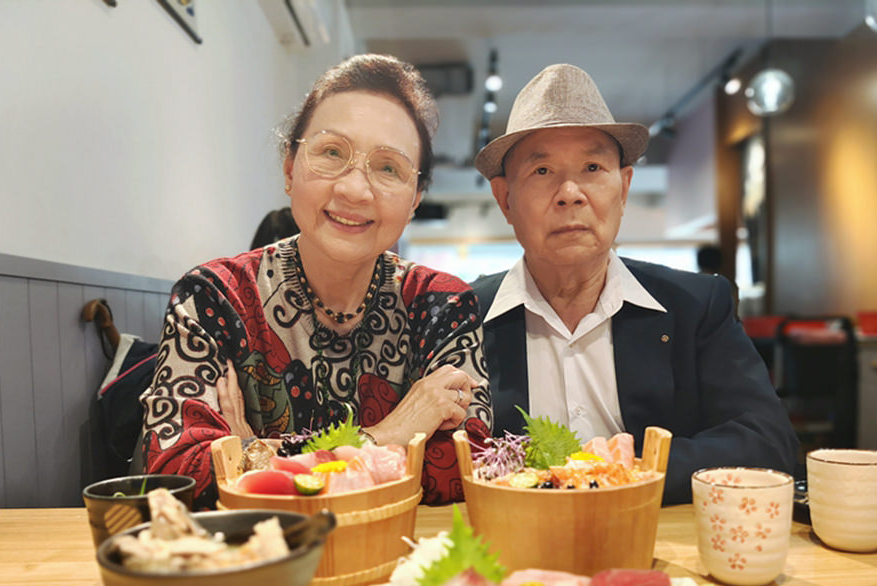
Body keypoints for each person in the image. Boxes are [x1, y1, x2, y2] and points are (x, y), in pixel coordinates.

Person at [140, 54, 492, 508]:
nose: (354, 190)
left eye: (388, 168)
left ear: (414, 200)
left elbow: (461, 470)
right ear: (290, 167)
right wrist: (387, 437)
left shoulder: (441, 304)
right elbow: (175, 475)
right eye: (331, 153)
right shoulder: (215, 296)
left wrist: (257, 460)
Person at [471, 64, 798, 505]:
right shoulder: (462, 315)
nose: (571, 192)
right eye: (542, 171)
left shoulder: (696, 306)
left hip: (660, 546)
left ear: (623, 188)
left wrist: (637, 467)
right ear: (504, 198)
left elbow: (768, 443)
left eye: (592, 166)